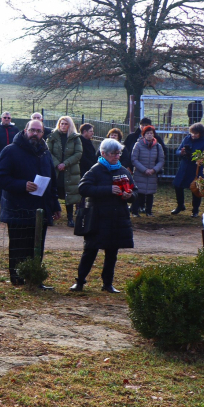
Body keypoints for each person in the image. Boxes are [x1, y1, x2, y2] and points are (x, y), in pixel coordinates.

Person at [0, 119, 61, 288]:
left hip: (40, 209)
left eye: (39, 131)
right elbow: (0, 178)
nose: (35, 134)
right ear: (25, 130)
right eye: (32, 130)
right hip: (17, 209)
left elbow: (51, 182)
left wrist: (55, 205)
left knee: (36, 246)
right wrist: (22, 185)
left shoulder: (45, 153)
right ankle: (18, 279)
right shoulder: (10, 151)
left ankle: (34, 279)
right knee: (19, 246)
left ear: (43, 133)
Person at [70, 138, 135, 293]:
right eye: (113, 154)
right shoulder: (95, 170)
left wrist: (130, 196)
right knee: (90, 251)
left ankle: (108, 283)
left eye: (118, 153)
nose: (117, 156)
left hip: (117, 219)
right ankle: (79, 281)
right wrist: (108, 189)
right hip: (97, 219)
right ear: (103, 153)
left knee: (112, 253)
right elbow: (83, 188)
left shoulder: (124, 172)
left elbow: (135, 191)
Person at [46, 116, 83, 227]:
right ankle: (51, 216)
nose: (63, 126)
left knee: (69, 194)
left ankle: (70, 218)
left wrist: (65, 164)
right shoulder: (52, 137)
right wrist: (57, 164)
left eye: (66, 124)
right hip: (55, 170)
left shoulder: (75, 138)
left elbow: (78, 154)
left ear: (70, 125)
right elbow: (48, 152)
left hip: (70, 170)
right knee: (53, 193)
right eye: (61, 123)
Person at [171, 122, 204, 216]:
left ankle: (195, 210)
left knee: (196, 189)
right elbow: (177, 151)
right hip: (184, 167)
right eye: (192, 133)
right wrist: (181, 153)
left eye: (195, 134)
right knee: (177, 185)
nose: (193, 135)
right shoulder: (187, 138)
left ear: (200, 133)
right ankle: (180, 205)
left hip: (196, 169)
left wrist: (193, 155)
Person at [130, 124, 164, 216]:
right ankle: (135, 211)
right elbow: (134, 159)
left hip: (152, 173)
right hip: (140, 173)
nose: (149, 135)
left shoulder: (158, 146)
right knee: (138, 192)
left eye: (151, 133)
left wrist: (154, 170)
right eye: (147, 133)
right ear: (143, 135)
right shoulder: (138, 145)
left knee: (150, 193)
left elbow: (161, 160)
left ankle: (148, 211)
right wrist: (144, 170)